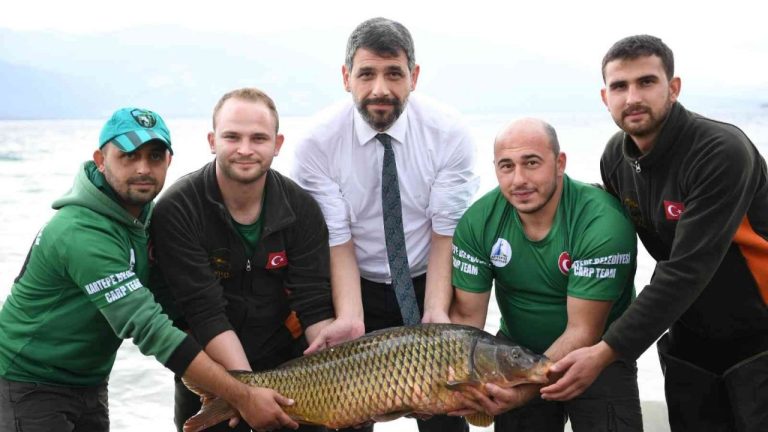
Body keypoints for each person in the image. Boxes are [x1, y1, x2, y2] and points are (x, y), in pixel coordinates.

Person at [0, 107, 300, 432]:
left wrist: (220, 383)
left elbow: (174, 305)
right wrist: (242, 395)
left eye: (155, 156)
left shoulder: (144, 219)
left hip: (90, 382)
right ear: (101, 159)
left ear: (169, 162)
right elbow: (150, 328)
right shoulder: (81, 232)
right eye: (128, 156)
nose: (143, 168)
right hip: (25, 381)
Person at [540, 35, 768, 432]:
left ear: (673, 88)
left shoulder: (720, 151)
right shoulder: (615, 157)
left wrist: (607, 351)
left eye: (646, 82)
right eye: (619, 86)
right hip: (689, 342)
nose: (632, 98)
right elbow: (606, 243)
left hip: (759, 339)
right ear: (604, 96)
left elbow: (685, 269)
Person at [292, 17, 478, 432]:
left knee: (446, 416)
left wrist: (434, 312)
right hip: (354, 279)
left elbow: (444, 231)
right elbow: (337, 237)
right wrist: (351, 317)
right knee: (345, 416)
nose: (380, 89)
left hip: (427, 274)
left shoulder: (449, 134)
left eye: (394, 73)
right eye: (367, 74)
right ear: (346, 78)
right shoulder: (316, 143)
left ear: (414, 76)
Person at [149, 88, 351, 432]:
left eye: (258, 138)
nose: (245, 149)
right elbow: (204, 311)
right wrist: (247, 394)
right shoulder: (177, 208)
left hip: (290, 366)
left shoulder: (301, 208)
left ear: (278, 143)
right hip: (209, 372)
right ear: (212, 140)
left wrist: (343, 381)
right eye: (232, 137)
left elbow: (314, 305)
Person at [448, 118, 642, 431]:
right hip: (514, 355)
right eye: (506, 166)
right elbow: (466, 320)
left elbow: (583, 331)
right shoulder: (478, 222)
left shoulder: (601, 221)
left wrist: (523, 391)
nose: (519, 180)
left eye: (532, 163)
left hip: (597, 357)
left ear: (559, 162)